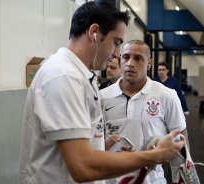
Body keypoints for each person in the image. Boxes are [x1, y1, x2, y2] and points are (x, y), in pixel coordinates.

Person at [19, 2, 184, 184]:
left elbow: (76, 150)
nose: (117, 54)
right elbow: (83, 166)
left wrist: (102, 146)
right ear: (94, 33)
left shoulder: (80, 78)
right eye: (116, 43)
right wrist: (153, 155)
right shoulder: (63, 77)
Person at [100, 40, 189, 183]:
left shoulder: (167, 95)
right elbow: (93, 144)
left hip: (152, 180)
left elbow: (181, 143)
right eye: (126, 57)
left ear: (149, 63)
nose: (130, 63)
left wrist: (183, 179)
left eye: (138, 58)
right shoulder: (102, 97)